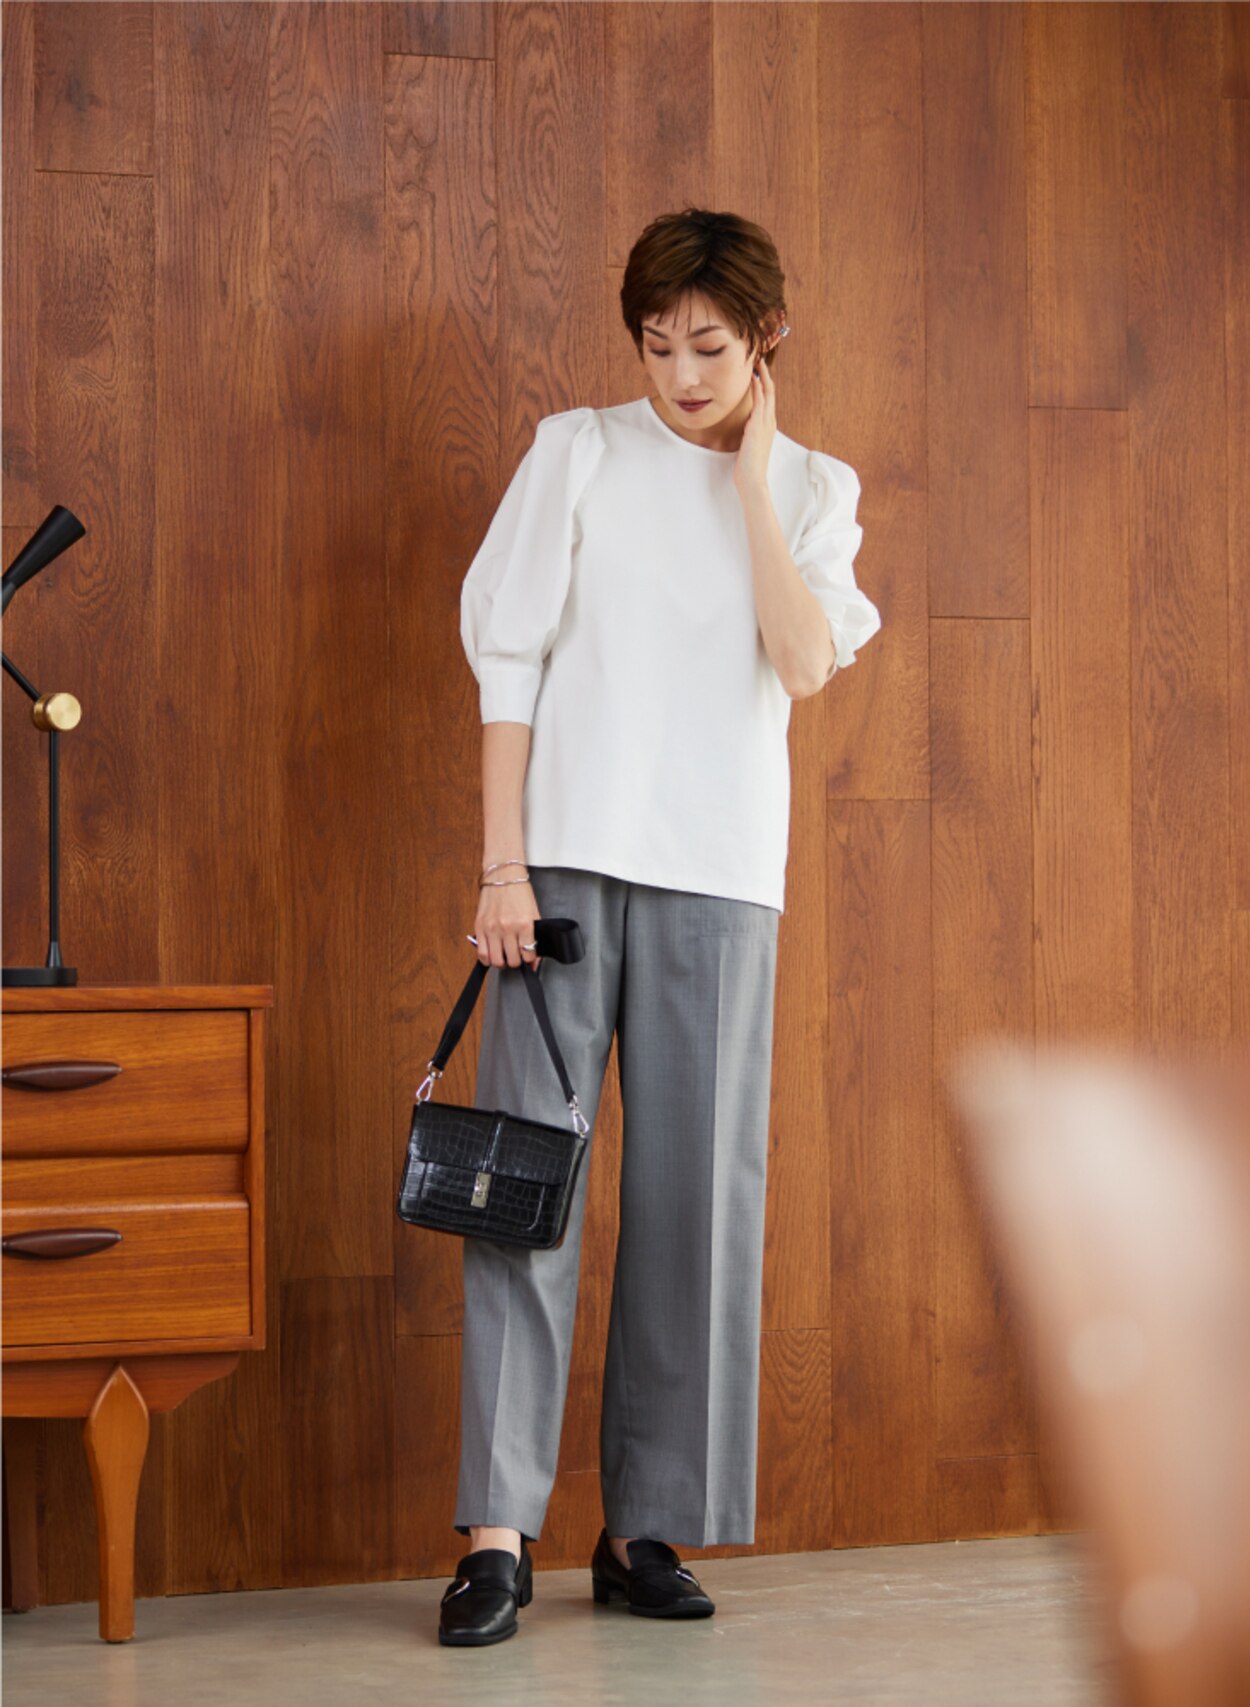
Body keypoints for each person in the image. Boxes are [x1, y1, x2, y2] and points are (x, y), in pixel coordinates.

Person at [438, 207, 882, 1647]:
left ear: (767, 340)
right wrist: (502, 868)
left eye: (710, 348)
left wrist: (752, 483)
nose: (681, 376)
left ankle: (645, 1529)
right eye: (657, 345)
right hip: (561, 869)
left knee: (700, 1201)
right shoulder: (576, 451)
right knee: (524, 1189)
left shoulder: (814, 489)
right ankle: (496, 1537)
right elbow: (508, 664)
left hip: (723, 875)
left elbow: (802, 661)